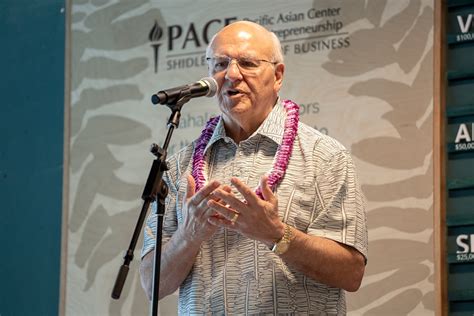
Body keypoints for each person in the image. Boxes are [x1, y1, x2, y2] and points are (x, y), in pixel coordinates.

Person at [140, 20, 367, 315]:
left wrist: (276, 234)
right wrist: (190, 234)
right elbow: (151, 284)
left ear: (278, 75)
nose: (232, 75)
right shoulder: (179, 165)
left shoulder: (325, 156)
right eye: (220, 63)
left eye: (247, 63)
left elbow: (350, 273)